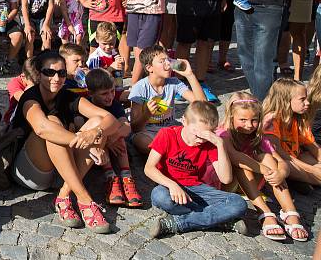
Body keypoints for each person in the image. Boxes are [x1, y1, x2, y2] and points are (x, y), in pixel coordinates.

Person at [11, 51, 119, 233]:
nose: (56, 78)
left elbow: (110, 120)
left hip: (62, 168)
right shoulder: (30, 96)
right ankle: (84, 199)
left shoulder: (67, 95)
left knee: (98, 125)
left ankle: (63, 195)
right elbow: (41, 128)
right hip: (31, 171)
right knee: (53, 124)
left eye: (61, 73)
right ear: (38, 73)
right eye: (49, 72)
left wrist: (96, 133)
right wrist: (85, 143)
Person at [147, 101, 246, 238]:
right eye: (197, 134)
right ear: (184, 121)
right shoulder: (167, 135)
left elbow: (226, 178)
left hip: (198, 190)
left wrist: (220, 144)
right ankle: (220, 220)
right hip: (169, 188)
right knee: (159, 196)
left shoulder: (210, 145)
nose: (201, 140)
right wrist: (172, 185)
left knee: (238, 203)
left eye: (207, 135)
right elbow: (149, 168)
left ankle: (178, 223)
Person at [221, 91, 307, 241]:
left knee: (267, 156)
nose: (249, 125)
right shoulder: (224, 134)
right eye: (243, 119)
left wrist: (280, 172)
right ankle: (265, 212)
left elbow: (281, 162)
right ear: (231, 117)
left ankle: (289, 211)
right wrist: (267, 170)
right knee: (243, 164)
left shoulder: (259, 138)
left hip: (255, 182)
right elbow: (236, 158)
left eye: (254, 120)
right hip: (228, 183)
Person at [129, 46, 207, 154]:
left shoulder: (174, 82)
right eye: (162, 61)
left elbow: (203, 105)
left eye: (168, 60)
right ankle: (172, 154)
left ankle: (168, 154)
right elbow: (135, 127)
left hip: (171, 129)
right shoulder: (139, 88)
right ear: (149, 68)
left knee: (200, 133)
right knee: (141, 141)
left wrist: (190, 75)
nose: (168, 64)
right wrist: (147, 114)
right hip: (148, 132)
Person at [85, 69, 142, 208]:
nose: (110, 96)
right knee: (102, 134)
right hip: (93, 151)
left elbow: (126, 126)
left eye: (112, 91)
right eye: (104, 93)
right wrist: (106, 138)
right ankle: (110, 177)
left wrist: (112, 138)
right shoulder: (86, 105)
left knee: (118, 136)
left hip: (114, 148)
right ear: (91, 93)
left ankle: (126, 177)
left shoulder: (115, 105)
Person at [263, 78, 321, 187]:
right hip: (282, 161)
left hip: (296, 156)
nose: (307, 103)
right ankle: (304, 179)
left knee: (313, 159)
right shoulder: (271, 121)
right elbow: (281, 154)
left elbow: (311, 145)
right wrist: (312, 169)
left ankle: (302, 181)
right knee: (288, 166)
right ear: (285, 100)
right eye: (302, 99)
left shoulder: (299, 117)